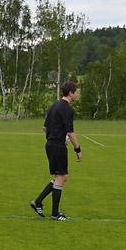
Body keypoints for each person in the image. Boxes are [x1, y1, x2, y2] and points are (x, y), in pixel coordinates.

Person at [30, 82, 82, 221]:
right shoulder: (67, 109)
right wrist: (77, 149)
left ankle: (38, 202)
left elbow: (45, 128)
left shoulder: (55, 105)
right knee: (62, 177)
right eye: (76, 92)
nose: (78, 94)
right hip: (57, 146)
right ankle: (55, 214)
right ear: (70, 93)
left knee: (61, 176)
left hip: (50, 144)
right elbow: (70, 133)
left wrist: (53, 137)